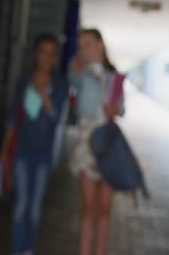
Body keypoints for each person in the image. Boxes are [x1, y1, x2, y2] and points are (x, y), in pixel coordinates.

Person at [0, 34, 68, 255]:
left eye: (51, 52)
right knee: (20, 206)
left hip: (44, 154)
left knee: (35, 208)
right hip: (21, 151)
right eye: (43, 51)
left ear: (55, 57)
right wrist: (4, 151)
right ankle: (16, 250)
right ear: (35, 54)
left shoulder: (60, 85)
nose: (46, 56)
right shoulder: (23, 81)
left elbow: (56, 120)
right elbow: (12, 119)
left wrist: (44, 96)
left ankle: (28, 249)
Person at [69, 28, 124, 255]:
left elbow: (122, 108)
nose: (84, 49)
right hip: (87, 145)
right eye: (81, 45)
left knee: (105, 209)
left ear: (101, 44)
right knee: (88, 208)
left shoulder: (114, 76)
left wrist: (116, 108)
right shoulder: (81, 72)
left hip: (109, 145)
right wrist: (78, 63)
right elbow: (73, 78)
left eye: (89, 44)